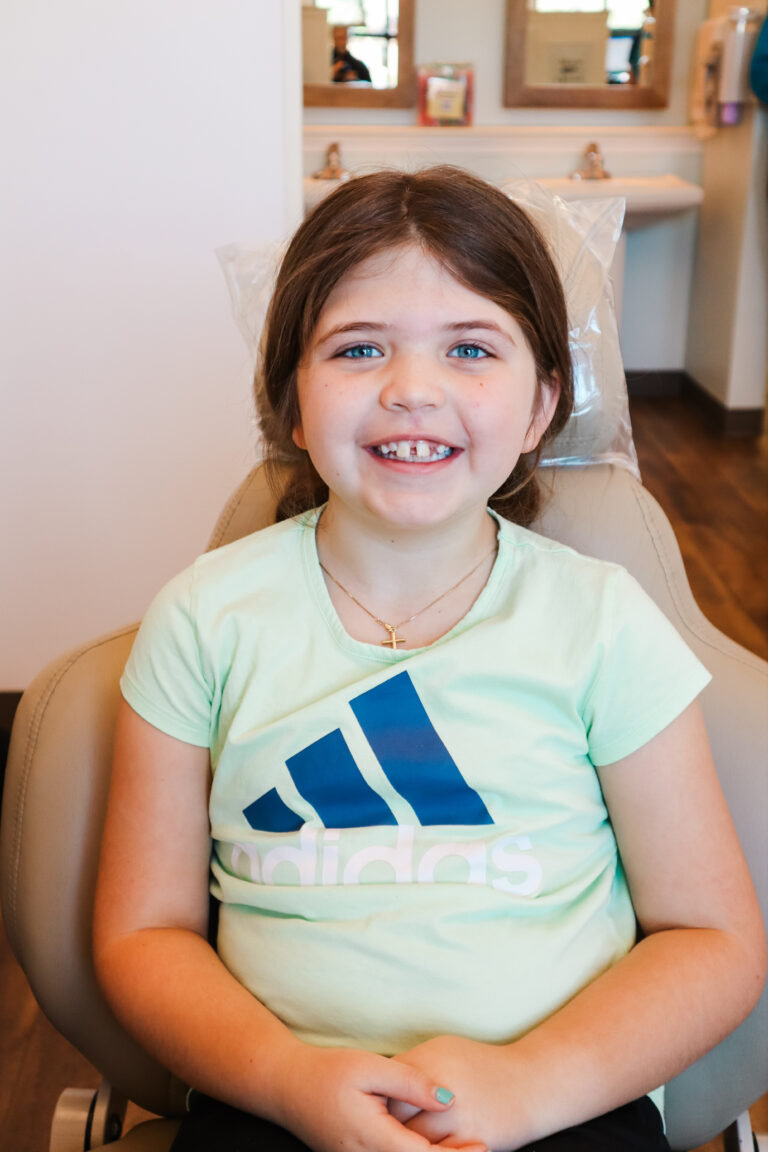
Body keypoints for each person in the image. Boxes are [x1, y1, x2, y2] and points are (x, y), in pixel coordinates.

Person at [93, 167, 766, 1152]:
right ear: (290, 403)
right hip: (274, 1104)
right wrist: (289, 1079)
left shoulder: (601, 625)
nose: (413, 389)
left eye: (470, 347)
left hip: (565, 1100)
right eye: (359, 348)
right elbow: (142, 934)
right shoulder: (205, 621)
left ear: (541, 406)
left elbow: (713, 942)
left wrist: (531, 1086)